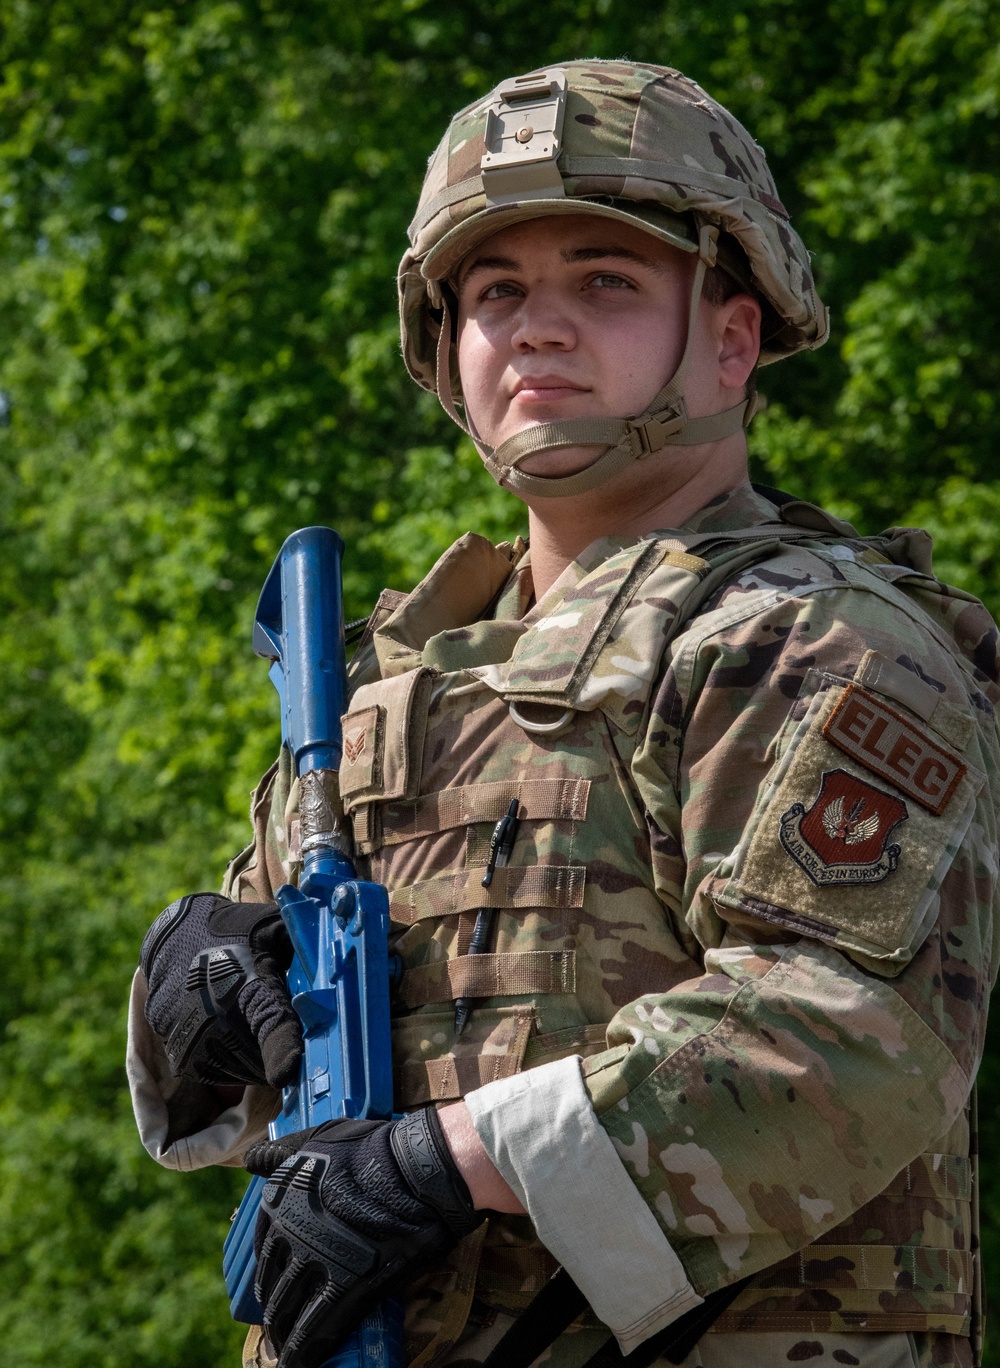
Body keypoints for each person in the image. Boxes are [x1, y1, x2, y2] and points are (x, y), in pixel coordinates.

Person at [127, 60, 999, 1368]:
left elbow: (845, 1034)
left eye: (606, 280)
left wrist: (445, 1160)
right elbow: (254, 1099)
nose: (538, 327)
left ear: (731, 336)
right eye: (495, 293)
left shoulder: (808, 637)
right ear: (443, 349)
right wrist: (190, 989)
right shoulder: (382, 688)